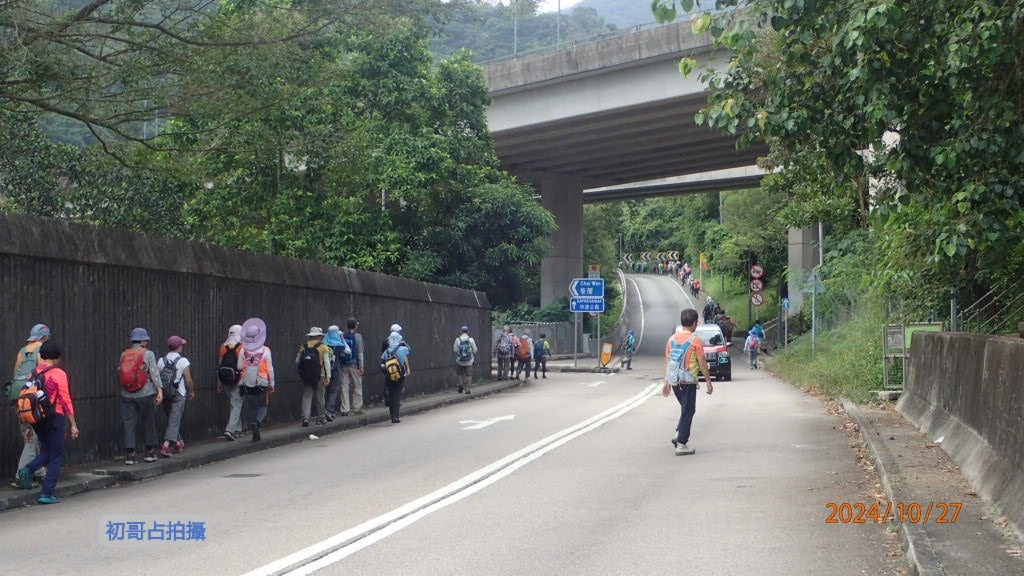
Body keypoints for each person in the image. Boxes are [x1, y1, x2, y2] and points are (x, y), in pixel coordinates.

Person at [15, 341, 79, 504]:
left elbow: (30, 399)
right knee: (56, 456)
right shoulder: (58, 373)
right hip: (55, 417)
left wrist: (29, 426)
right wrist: (73, 424)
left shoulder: (34, 373)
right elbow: (65, 399)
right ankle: (46, 493)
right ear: (56, 357)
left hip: (37, 419)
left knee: (47, 451)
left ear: (42, 355)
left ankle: (27, 470)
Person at [663, 308, 713, 456]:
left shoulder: (671, 340)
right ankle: (681, 443)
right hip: (688, 381)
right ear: (695, 323)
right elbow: (702, 362)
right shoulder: (695, 340)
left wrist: (666, 382)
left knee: (686, 409)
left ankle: (678, 433)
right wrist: (708, 381)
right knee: (689, 410)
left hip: (675, 381)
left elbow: (668, 361)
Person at [9, 323, 50, 488]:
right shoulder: (42, 349)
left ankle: (39, 472)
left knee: (30, 434)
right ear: (44, 337)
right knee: (32, 438)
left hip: (18, 398)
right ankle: (21, 475)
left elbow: (15, 374)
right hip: (33, 397)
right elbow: (43, 373)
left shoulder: (22, 351)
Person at [119, 327, 164, 465]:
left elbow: (120, 371)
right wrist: (159, 390)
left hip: (127, 393)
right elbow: (154, 373)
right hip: (145, 392)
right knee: (148, 421)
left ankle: (130, 455)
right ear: (143, 341)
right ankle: (149, 452)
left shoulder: (124, 354)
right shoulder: (148, 354)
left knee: (128, 423)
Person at [237, 318, 275, 442]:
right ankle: (257, 422)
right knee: (263, 406)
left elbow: (239, 367)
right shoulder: (265, 350)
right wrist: (272, 383)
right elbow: (270, 369)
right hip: (262, 382)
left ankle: (253, 424)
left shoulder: (243, 349)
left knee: (252, 407)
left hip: (247, 382)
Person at [157, 336, 195, 457]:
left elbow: (157, 378)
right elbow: (188, 379)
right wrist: (191, 391)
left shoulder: (161, 360)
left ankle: (178, 442)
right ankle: (166, 446)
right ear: (179, 347)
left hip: (165, 393)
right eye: (181, 345)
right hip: (179, 393)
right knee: (174, 419)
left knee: (172, 419)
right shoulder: (183, 361)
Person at [296, 327, 332, 427]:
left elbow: (297, 361)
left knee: (307, 396)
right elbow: (327, 363)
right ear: (319, 336)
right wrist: (328, 376)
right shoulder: (323, 347)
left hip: (307, 375)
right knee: (320, 396)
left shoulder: (303, 346)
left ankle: (305, 418)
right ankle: (321, 418)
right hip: (320, 375)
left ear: (310, 336)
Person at [218, 325, 245, 441]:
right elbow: (244, 365)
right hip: (239, 379)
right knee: (236, 405)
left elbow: (220, 366)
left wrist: (219, 382)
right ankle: (229, 430)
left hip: (225, 379)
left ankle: (237, 430)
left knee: (233, 404)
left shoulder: (223, 347)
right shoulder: (243, 346)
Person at [381, 325, 411, 423]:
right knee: (397, 394)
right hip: (401, 375)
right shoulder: (403, 349)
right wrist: (404, 343)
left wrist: (386, 373)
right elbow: (409, 349)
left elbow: (382, 363)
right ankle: (396, 417)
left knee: (391, 394)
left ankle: (392, 416)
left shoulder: (387, 351)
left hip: (389, 375)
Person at [338, 318, 365, 416]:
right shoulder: (358, 336)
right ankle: (357, 408)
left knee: (344, 386)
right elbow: (360, 352)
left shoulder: (342, 336)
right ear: (355, 326)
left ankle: (345, 409)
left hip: (343, 364)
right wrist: (361, 366)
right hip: (354, 364)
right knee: (357, 385)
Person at [323, 325, 351, 421]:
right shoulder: (339, 345)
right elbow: (348, 351)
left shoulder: (324, 343)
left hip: (324, 370)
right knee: (333, 390)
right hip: (335, 369)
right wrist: (342, 339)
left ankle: (323, 411)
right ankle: (330, 410)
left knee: (324, 391)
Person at [453, 326, 478, 394]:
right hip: (469, 361)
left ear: (460, 332)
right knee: (469, 375)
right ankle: (467, 389)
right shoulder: (471, 339)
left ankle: (461, 385)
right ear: (468, 332)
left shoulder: (457, 340)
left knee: (460, 374)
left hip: (459, 361)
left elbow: (455, 350)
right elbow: (475, 350)